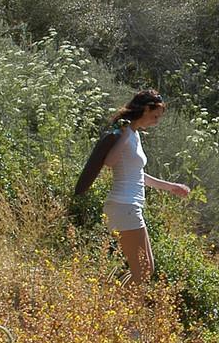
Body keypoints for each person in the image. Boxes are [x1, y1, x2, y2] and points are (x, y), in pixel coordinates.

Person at [74, 89, 191, 284]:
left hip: (129, 206)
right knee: (142, 272)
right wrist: (125, 134)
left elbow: (137, 174)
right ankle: (115, 309)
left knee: (147, 269)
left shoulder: (134, 134)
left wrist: (170, 186)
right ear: (145, 109)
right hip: (124, 206)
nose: (156, 121)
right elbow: (110, 161)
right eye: (155, 116)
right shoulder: (126, 132)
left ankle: (113, 304)